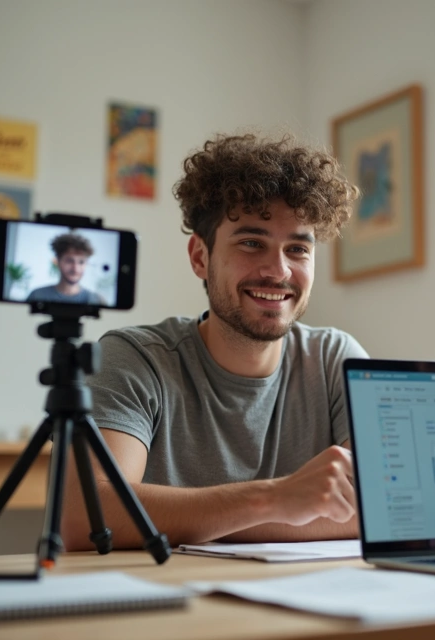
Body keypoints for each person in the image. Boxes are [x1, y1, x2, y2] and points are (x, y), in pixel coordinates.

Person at [60, 133, 366, 550]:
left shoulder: (334, 359)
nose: (278, 271)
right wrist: (274, 500)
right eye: (252, 243)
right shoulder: (134, 359)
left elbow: (388, 509)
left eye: (297, 249)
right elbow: (86, 517)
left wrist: (205, 517)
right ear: (200, 257)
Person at [25, 232, 109, 306]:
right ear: (57, 261)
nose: (75, 269)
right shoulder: (37, 296)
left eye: (81, 262)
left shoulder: (97, 301)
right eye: (69, 261)